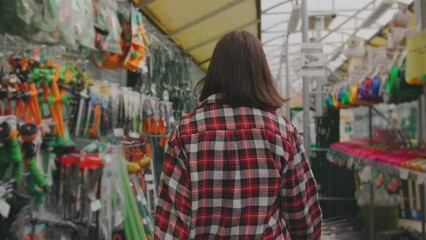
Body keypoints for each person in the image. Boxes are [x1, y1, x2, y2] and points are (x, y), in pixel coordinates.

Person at [154, 31, 322, 239]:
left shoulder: (185, 132)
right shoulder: (284, 132)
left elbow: (170, 226)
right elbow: (304, 218)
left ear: (215, 71)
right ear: (261, 73)